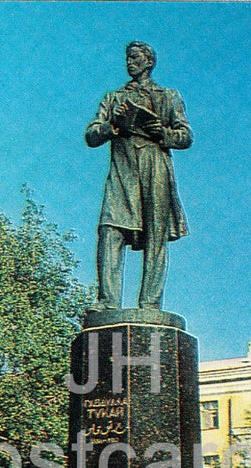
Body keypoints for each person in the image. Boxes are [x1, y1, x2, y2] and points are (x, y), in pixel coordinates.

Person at [85, 41, 193, 311]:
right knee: (110, 230)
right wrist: (112, 126)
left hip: (154, 167)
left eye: (134, 58)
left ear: (148, 62)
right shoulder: (113, 98)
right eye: (127, 58)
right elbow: (91, 135)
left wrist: (164, 133)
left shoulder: (168, 96)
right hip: (123, 169)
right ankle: (108, 300)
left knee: (155, 237)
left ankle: (150, 303)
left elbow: (186, 135)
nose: (129, 63)